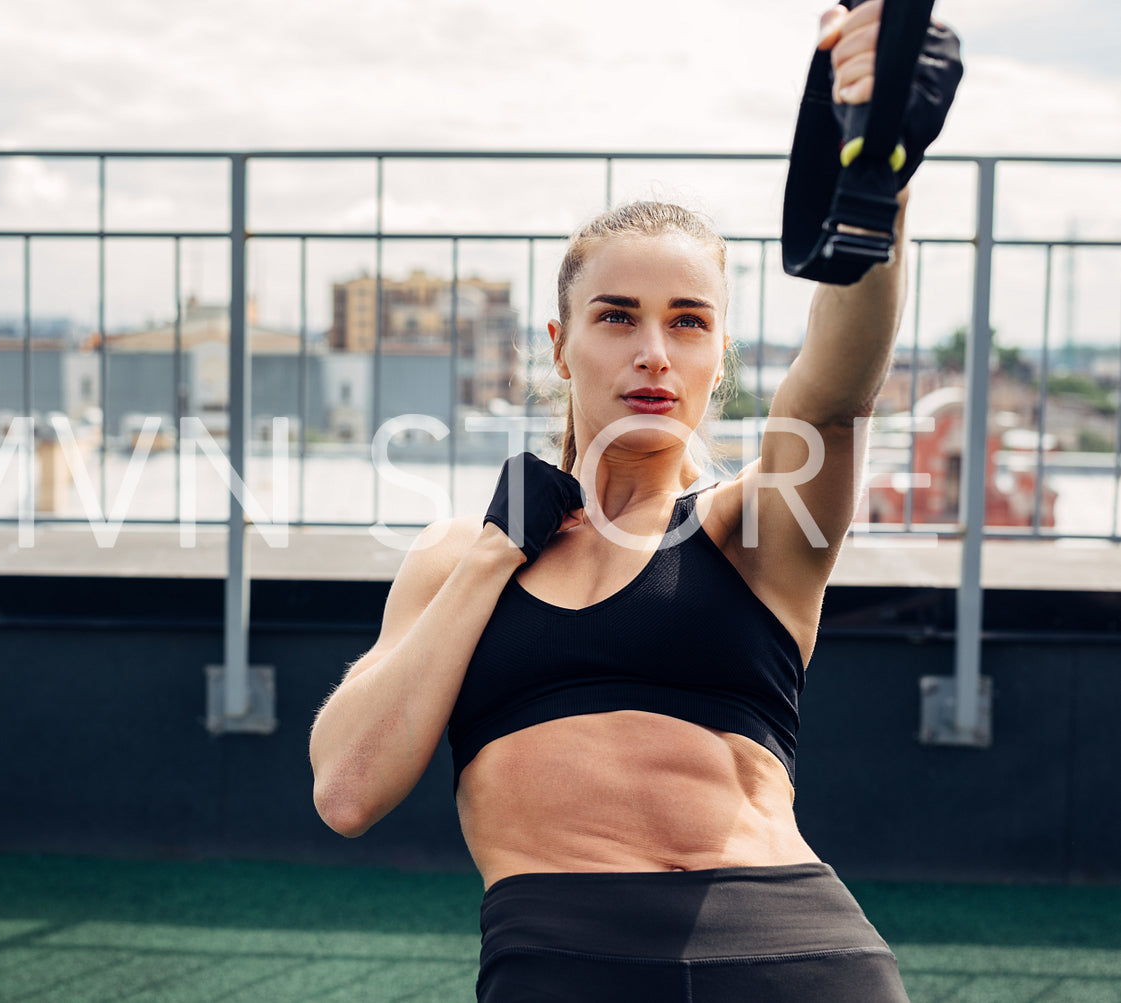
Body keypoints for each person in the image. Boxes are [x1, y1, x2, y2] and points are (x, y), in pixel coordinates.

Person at [310, 4, 945, 999]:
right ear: (560, 345)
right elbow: (348, 789)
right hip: (566, 959)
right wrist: (488, 558)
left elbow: (833, 396)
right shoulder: (453, 559)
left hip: (794, 951)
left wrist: (878, 185)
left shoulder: (750, 532)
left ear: (716, 360)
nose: (653, 349)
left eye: (687, 322)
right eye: (616, 316)